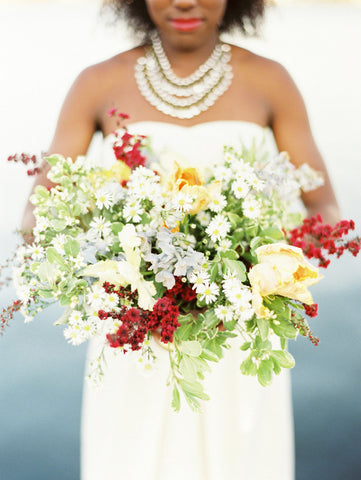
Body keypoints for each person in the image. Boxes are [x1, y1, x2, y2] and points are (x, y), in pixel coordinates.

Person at [21, 1, 340, 479]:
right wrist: (113, 262)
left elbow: (324, 209)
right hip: (136, 335)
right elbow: (36, 213)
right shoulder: (96, 83)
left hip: (236, 339)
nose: (185, 0)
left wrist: (263, 267)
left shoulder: (272, 81)